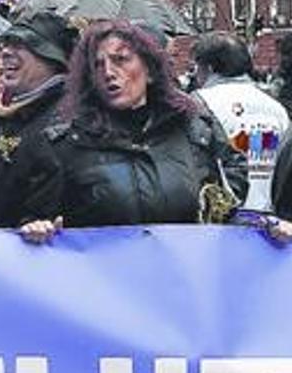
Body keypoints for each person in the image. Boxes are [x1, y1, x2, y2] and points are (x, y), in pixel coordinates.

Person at [14, 21, 253, 244]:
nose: (108, 72)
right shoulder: (64, 144)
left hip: (183, 281)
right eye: (98, 64)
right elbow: (34, 217)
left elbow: (227, 209)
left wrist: (269, 231)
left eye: (121, 60)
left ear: (149, 70)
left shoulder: (194, 130)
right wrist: (38, 230)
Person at [0, 12, 77, 227]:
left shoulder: (68, 121)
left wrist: (34, 226)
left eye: (20, 44)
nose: (6, 52)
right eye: (6, 44)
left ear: (52, 58)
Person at [192, 32, 289, 213]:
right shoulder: (277, 109)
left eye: (196, 66)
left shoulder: (198, 105)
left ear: (210, 68)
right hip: (272, 221)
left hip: (223, 219)